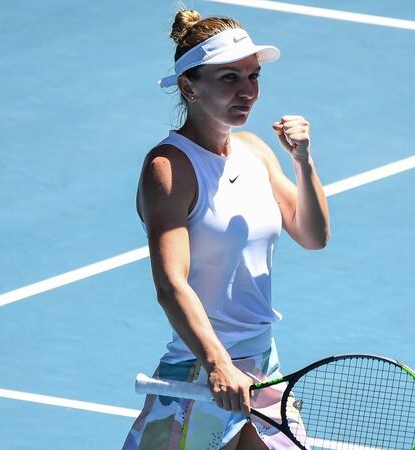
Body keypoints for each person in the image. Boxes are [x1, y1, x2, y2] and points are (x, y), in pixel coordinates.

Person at [123, 7, 330, 450]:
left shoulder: (255, 151)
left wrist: (303, 161)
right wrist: (217, 363)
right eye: (229, 78)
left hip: (261, 368)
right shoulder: (169, 167)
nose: (248, 91)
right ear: (188, 88)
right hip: (203, 371)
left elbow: (313, 235)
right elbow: (170, 284)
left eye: (253, 76)